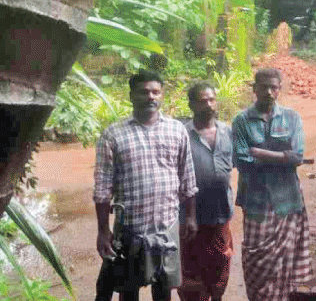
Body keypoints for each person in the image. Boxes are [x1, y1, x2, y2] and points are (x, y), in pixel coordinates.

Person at [93, 69, 198, 301]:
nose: (151, 97)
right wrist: (103, 231)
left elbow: (187, 179)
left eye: (156, 92)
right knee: (127, 290)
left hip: (166, 227)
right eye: (144, 92)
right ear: (131, 96)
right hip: (130, 229)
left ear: (161, 95)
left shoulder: (176, 130)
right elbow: (102, 190)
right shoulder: (113, 135)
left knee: (163, 290)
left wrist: (190, 217)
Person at [232, 68, 312, 301]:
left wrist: (260, 153)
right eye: (264, 87)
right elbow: (242, 161)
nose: (268, 92)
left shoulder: (291, 117)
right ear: (254, 88)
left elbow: (298, 156)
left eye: (273, 87)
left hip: (287, 201)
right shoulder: (242, 120)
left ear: (279, 89)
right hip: (256, 202)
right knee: (255, 261)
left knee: (284, 265)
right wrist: (282, 157)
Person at [177, 82, 234, 301]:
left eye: (212, 99)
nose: (209, 105)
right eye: (202, 100)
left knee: (220, 268)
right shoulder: (181, 133)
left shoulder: (227, 131)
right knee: (191, 273)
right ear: (191, 104)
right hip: (189, 217)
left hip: (221, 215)